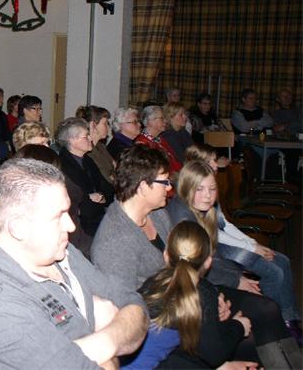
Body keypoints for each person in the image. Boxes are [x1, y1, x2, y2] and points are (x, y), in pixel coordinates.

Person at [92, 145, 300, 369]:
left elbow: (187, 264)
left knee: (267, 309)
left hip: (189, 293)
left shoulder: (157, 214)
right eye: (164, 182)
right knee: (252, 338)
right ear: (143, 187)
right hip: (163, 322)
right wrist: (202, 307)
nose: (170, 188)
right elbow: (131, 310)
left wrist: (210, 297)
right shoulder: (114, 242)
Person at [0, 157, 148, 369]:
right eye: (58, 216)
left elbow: (134, 303)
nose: (70, 226)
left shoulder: (59, 252)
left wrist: (100, 342)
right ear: (19, 228)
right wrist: (108, 336)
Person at [169, 161, 301, 341]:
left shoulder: (204, 209)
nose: (207, 196)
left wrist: (239, 275)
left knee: (280, 264)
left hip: (210, 273)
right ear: (186, 187)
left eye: (212, 189)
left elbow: (213, 254)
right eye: (199, 189)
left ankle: (287, 323)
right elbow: (200, 267)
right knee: (268, 298)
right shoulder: (185, 221)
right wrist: (237, 280)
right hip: (196, 286)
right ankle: (278, 333)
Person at [139, 221, 258, 368]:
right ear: (208, 262)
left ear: (166, 255)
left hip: (152, 360)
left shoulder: (152, 283)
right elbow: (215, 356)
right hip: (166, 364)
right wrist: (239, 327)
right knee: (247, 343)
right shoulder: (204, 294)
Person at [56, 117, 114, 237]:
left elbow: (106, 188)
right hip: (80, 225)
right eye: (86, 136)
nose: (90, 138)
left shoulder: (88, 160)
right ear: (72, 140)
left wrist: (102, 197)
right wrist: (90, 198)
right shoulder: (62, 165)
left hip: (98, 217)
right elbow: (74, 200)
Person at [135, 105, 182, 175]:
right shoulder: (142, 144)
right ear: (150, 121)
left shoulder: (160, 139)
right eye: (162, 118)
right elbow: (152, 172)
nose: (165, 121)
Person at [76, 105, 116, 183]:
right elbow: (106, 178)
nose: (108, 127)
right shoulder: (88, 151)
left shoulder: (100, 146)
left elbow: (116, 168)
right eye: (105, 123)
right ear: (93, 125)